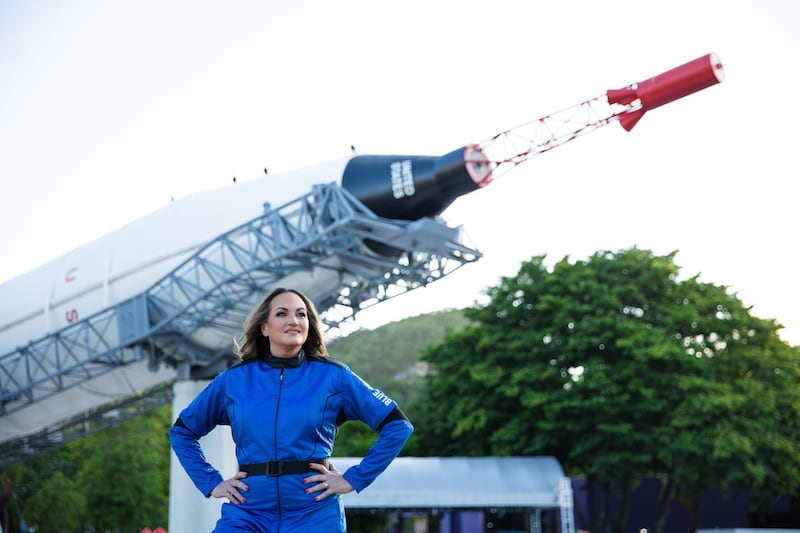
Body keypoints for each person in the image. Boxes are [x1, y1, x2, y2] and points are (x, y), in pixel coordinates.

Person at [169, 287, 414, 532]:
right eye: (282, 314)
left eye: (301, 314)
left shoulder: (334, 376)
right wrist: (211, 482)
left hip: (315, 513)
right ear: (264, 327)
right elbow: (181, 433)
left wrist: (354, 478)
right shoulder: (233, 380)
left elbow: (398, 426)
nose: (294, 321)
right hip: (248, 511)